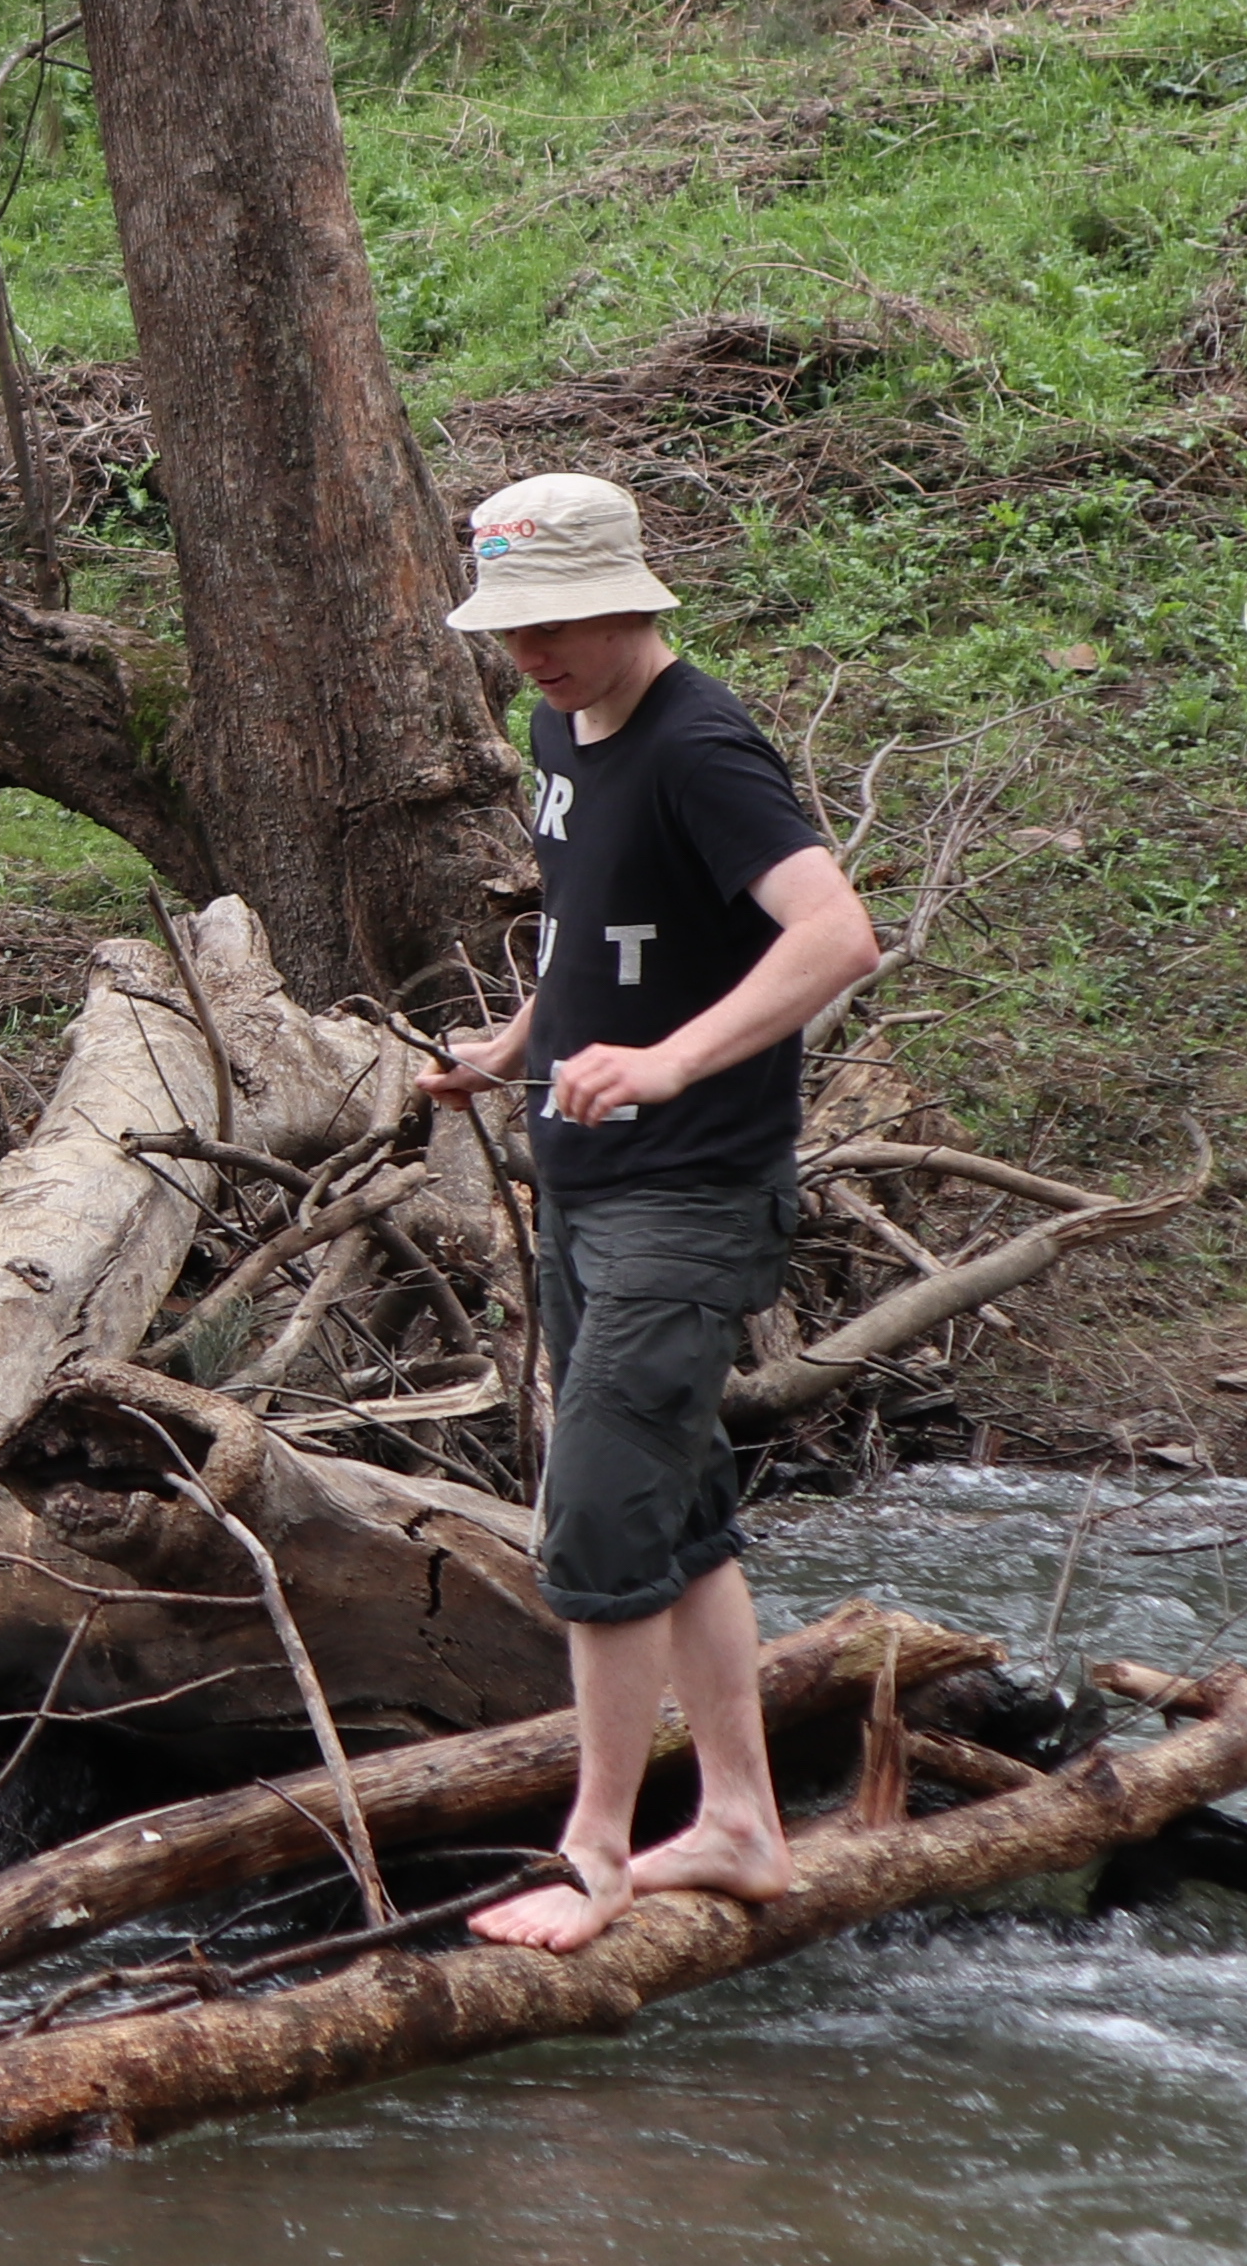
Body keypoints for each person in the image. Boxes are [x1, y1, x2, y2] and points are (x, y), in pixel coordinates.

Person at [414, 471, 887, 1955]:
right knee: (680, 1512)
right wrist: (517, 1042)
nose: (532, 655)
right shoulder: (559, 725)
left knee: (600, 1517)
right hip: (582, 1176)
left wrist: (674, 1059)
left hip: (690, 1196)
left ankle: (599, 1851)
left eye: (556, 624)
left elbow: (838, 934)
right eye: (510, 631)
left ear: (632, 598)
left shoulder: (704, 747)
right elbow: (589, 916)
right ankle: (741, 1820)